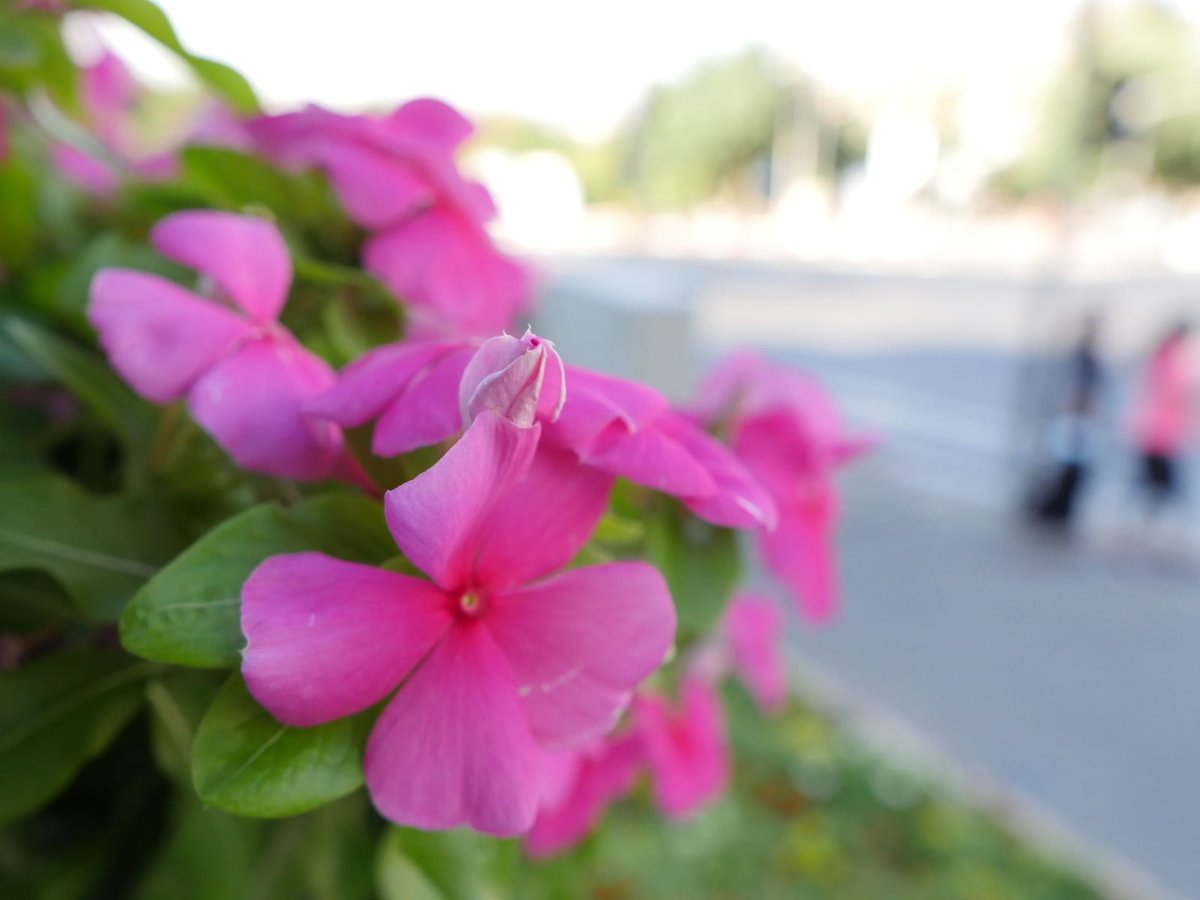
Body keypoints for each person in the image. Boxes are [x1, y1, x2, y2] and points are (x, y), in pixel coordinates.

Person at [1030, 315, 1105, 532]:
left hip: (1079, 420)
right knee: (1068, 469)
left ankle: (1059, 512)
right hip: (1074, 420)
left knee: (1072, 469)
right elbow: (1072, 389)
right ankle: (1056, 512)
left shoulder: (1085, 357)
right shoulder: (1081, 357)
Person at [1127, 322, 1195, 523]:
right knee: (1159, 479)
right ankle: (1149, 520)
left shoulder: (1165, 358)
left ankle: (1147, 519)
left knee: (1154, 478)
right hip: (1157, 429)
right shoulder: (1166, 360)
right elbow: (1173, 394)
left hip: (1158, 428)